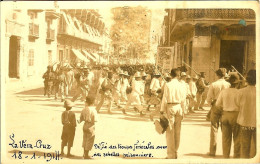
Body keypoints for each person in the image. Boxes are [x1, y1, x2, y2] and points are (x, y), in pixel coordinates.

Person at [160, 68, 185, 159]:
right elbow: (183, 99)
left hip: (170, 107)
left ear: (171, 75)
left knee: (170, 131)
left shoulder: (168, 84)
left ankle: (171, 154)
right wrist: (183, 110)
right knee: (178, 131)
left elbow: (165, 98)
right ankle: (176, 152)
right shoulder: (182, 85)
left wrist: (162, 110)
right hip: (179, 107)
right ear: (178, 76)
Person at [206, 68, 230, 157]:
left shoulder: (214, 84)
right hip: (225, 106)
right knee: (225, 129)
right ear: (225, 75)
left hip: (216, 105)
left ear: (217, 75)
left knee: (214, 128)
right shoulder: (228, 84)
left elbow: (208, 98)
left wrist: (210, 104)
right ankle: (225, 152)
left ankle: (212, 151)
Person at [216, 72, 240, 158]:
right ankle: (236, 156)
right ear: (237, 83)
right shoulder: (239, 92)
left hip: (225, 115)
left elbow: (217, 104)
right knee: (237, 138)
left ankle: (225, 156)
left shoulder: (224, 92)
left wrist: (223, 109)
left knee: (226, 138)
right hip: (236, 115)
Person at [236, 69, 256, 158]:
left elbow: (237, 105)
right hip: (256, 123)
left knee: (244, 147)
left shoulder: (241, 92)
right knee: (256, 147)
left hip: (244, 122)